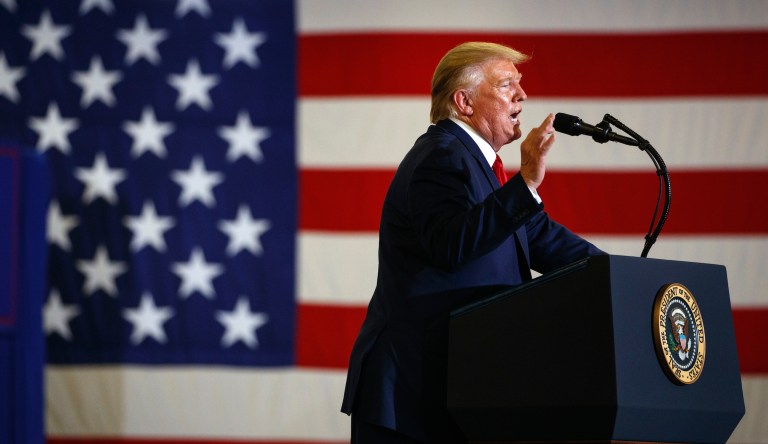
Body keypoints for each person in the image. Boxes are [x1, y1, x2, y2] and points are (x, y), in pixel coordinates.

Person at [340, 41, 604, 443]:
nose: (522, 95)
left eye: (520, 84)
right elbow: (450, 244)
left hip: (457, 395)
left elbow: (543, 238)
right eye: (506, 85)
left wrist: (617, 276)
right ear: (463, 102)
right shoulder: (440, 156)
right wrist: (526, 182)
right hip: (412, 398)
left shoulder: (479, 167)